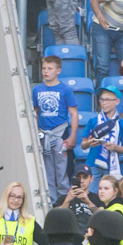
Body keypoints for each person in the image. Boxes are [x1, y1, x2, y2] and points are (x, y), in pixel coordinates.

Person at [33, 55, 78, 204]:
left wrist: (72, 136)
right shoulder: (37, 90)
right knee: (48, 171)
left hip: (60, 134)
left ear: (58, 70)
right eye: (44, 68)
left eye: (50, 68)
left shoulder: (65, 90)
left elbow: (73, 113)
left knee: (61, 171)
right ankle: (51, 202)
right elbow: (35, 112)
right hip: (44, 135)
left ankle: (66, 202)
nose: (46, 71)